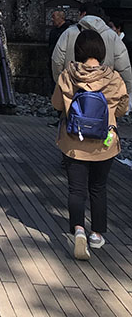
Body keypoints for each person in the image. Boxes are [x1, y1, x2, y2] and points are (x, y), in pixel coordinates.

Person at [51, 29, 128, 260]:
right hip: (104, 143)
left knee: (76, 189)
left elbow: (56, 103)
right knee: (98, 188)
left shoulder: (68, 75)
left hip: (74, 142)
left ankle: (78, 229)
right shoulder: (113, 78)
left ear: (78, 51)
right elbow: (123, 107)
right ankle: (96, 234)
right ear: (102, 52)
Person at [51, 3, 132, 98]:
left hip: (73, 92)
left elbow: (57, 61)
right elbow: (124, 68)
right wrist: (126, 91)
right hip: (105, 93)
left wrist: (62, 84)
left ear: (83, 14)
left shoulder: (68, 33)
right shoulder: (112, 36)